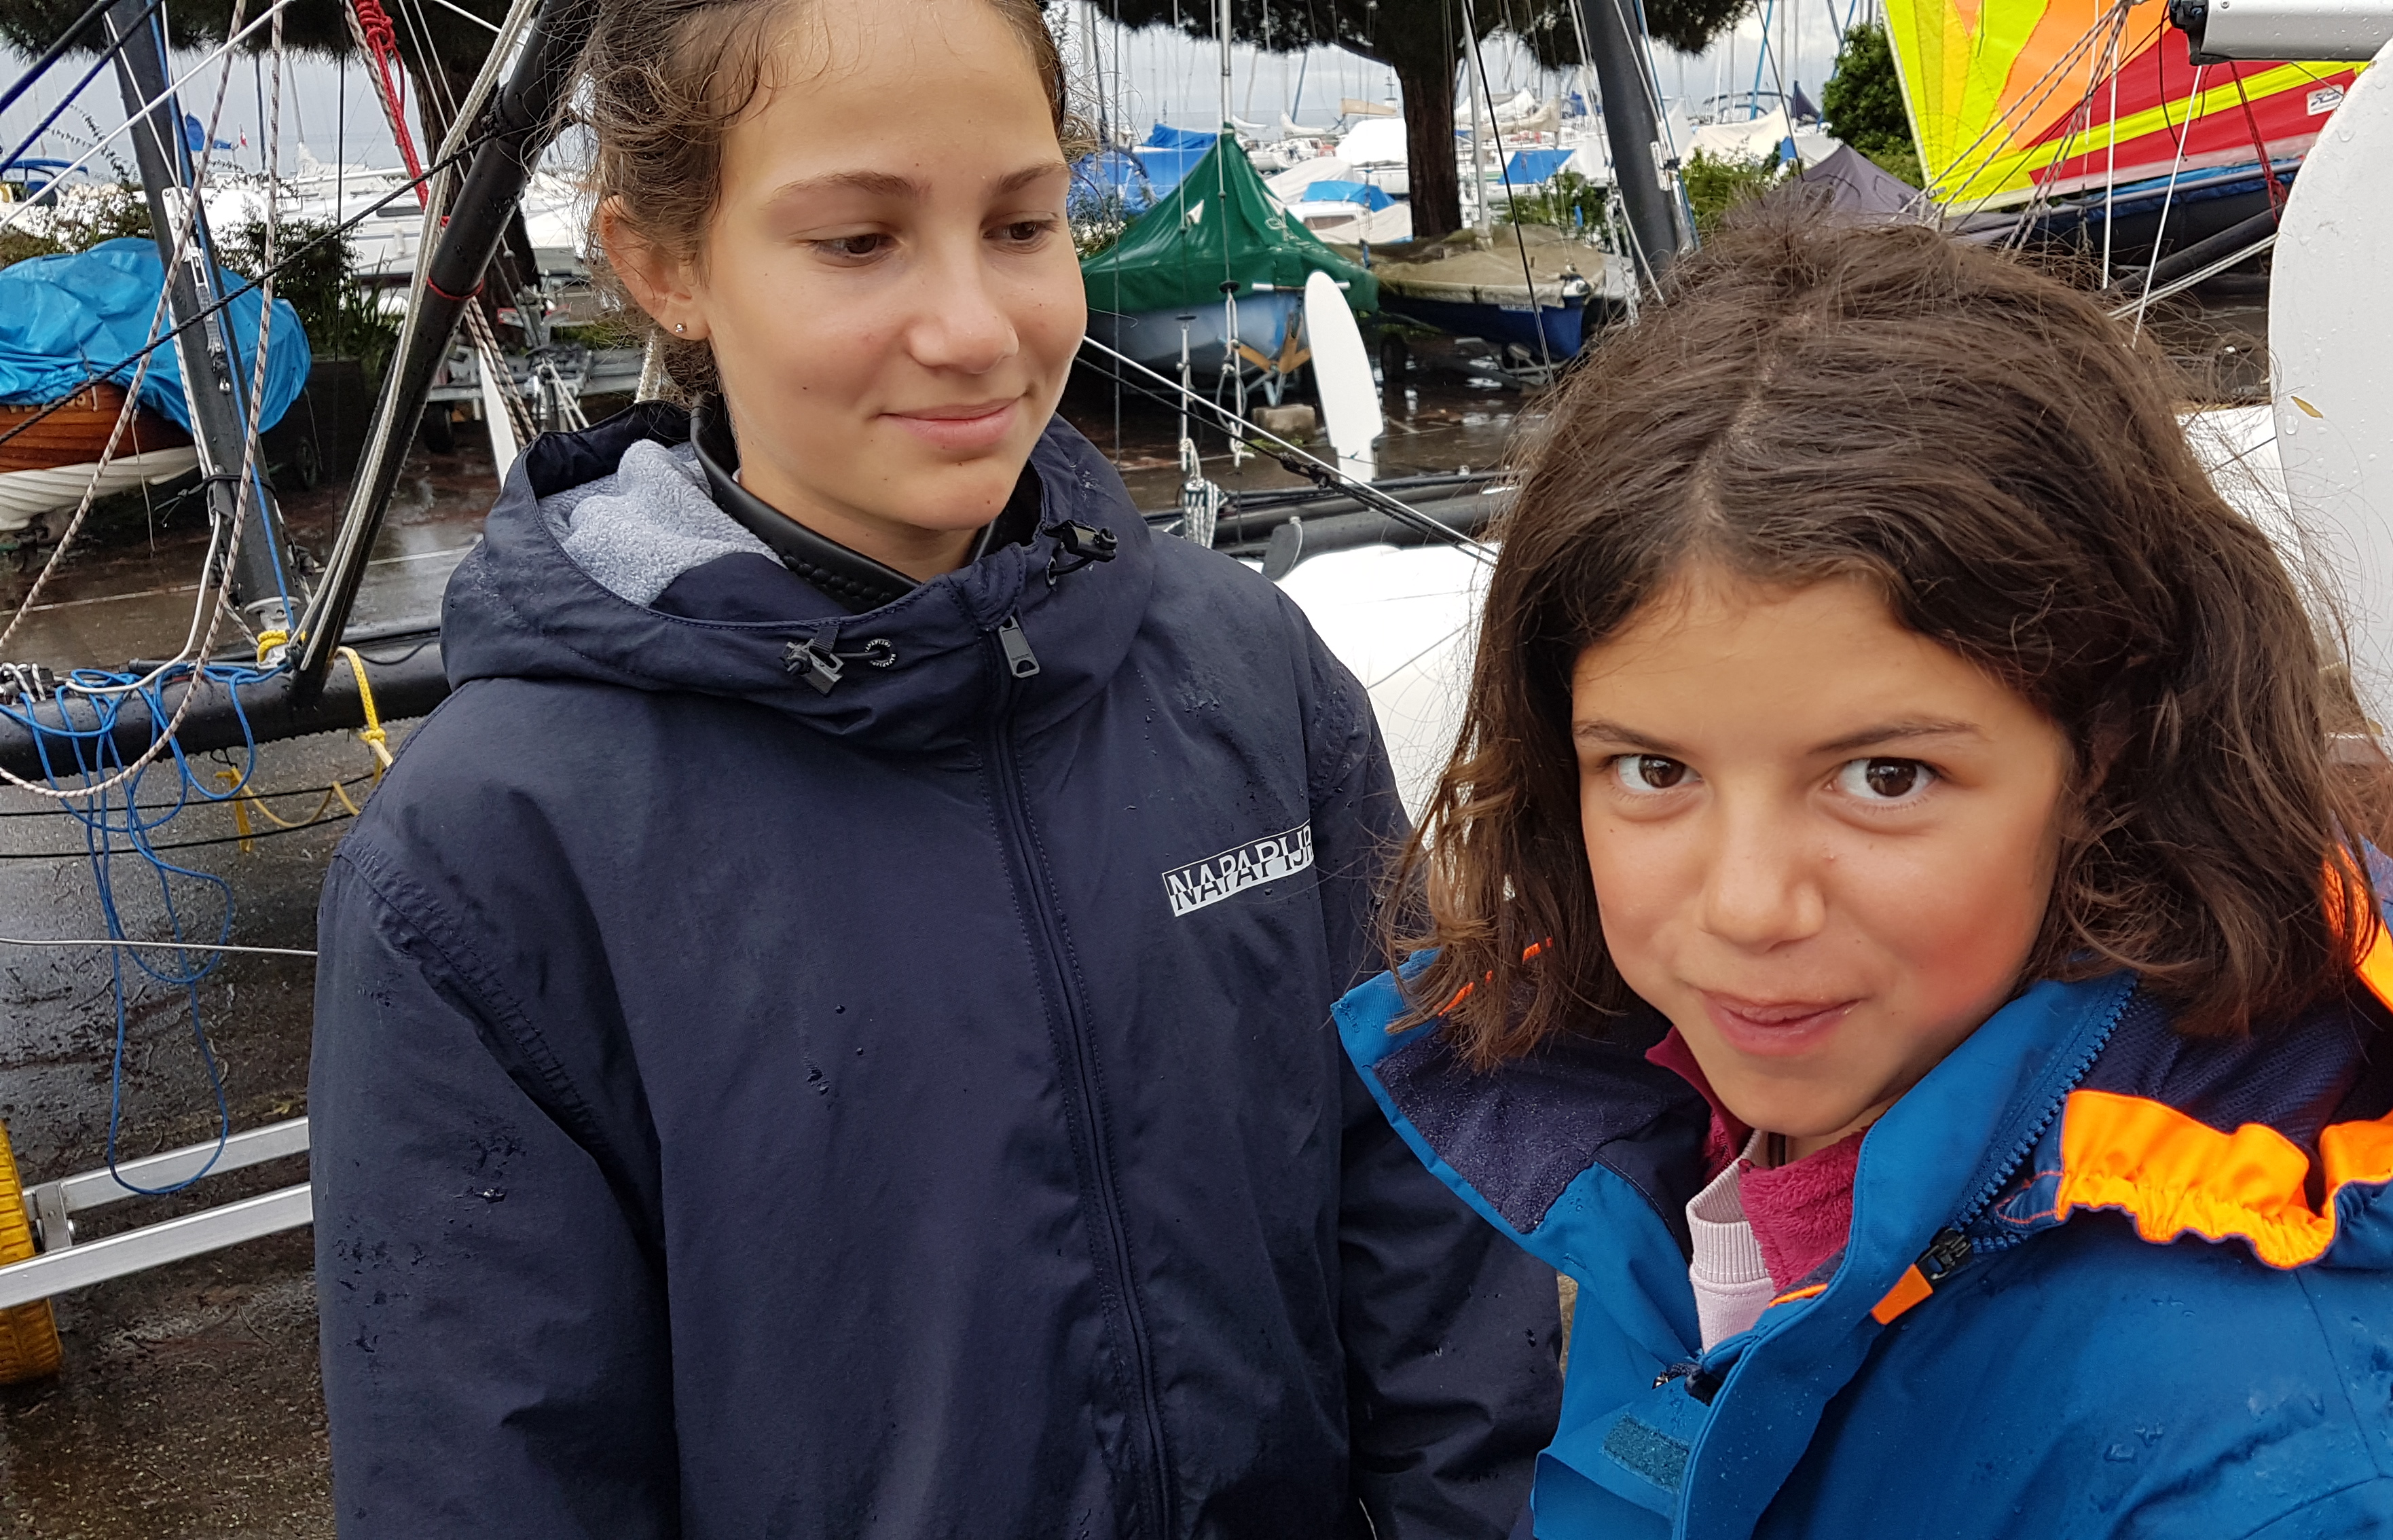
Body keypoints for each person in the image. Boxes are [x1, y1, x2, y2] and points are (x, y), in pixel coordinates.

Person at [307, 0, 1559, 1532]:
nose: (973, 329)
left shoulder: (1252, 676)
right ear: (663, 264)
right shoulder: (493, 855)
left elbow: (1431, 1223)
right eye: (857, 242)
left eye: (1023, 224)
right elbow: (484, 1468)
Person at [1336, 194, 2393, 1538]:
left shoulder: (2264, 1476)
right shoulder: (1668, 1161)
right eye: (1654, 771)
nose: (1748, 906)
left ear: (2108, 763)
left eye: (1885, 778)